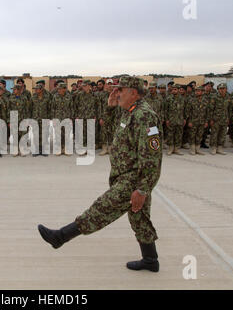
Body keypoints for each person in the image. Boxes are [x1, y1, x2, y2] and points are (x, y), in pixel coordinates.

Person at [38, 76, 162, 272]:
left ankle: (60, 236)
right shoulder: (129, 112)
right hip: (124, 176)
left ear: (135, 93)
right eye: (117, 89)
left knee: (101, 209)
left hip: (133, 179)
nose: (117, 92)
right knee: (140, 219)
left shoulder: (144, 116)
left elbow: (152, 158)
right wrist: (111, 107)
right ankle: (150, 260)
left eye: (122, 90)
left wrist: (142, 189)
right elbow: (111, 132)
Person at [185, 86, 209, 155]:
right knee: (192, 135)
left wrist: (206, 121)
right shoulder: (191, 100)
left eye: (199, 91)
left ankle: (197, 149)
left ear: (202, 92)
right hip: (193, 121)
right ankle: (192, 149)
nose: (197, 92)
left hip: (202, 121)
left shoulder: (205, 101)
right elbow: (187, 112)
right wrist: (189, 121)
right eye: (196, 91)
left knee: (199, 135)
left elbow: (207, 112)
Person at [165, 84, 185, 155]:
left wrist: (184, 119)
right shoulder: (168, 99)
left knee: (178, 134)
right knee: (170, 134)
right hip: (171, 120)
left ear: (179, 90)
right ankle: (171, 148)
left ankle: (176, 149)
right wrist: (167, 119)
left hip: (180, 120)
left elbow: (185, 110)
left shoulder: (182, 99)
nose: (174, 90)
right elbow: (166, 110)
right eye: (173, 89)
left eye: (175, 89)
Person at [209, 83, 229, 155]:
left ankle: (220, 148)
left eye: (223, 88)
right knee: (214, 134)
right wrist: (211, 119)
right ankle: (214, 148)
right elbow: (211, 109)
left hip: (224, 118)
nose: (222, 90)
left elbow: (229, 109)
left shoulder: (228, 97)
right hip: (216, 119)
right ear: (218, 90)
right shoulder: (214, 97)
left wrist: (228, 118)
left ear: (226, 89)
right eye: (220, 89)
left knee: (222, 134)